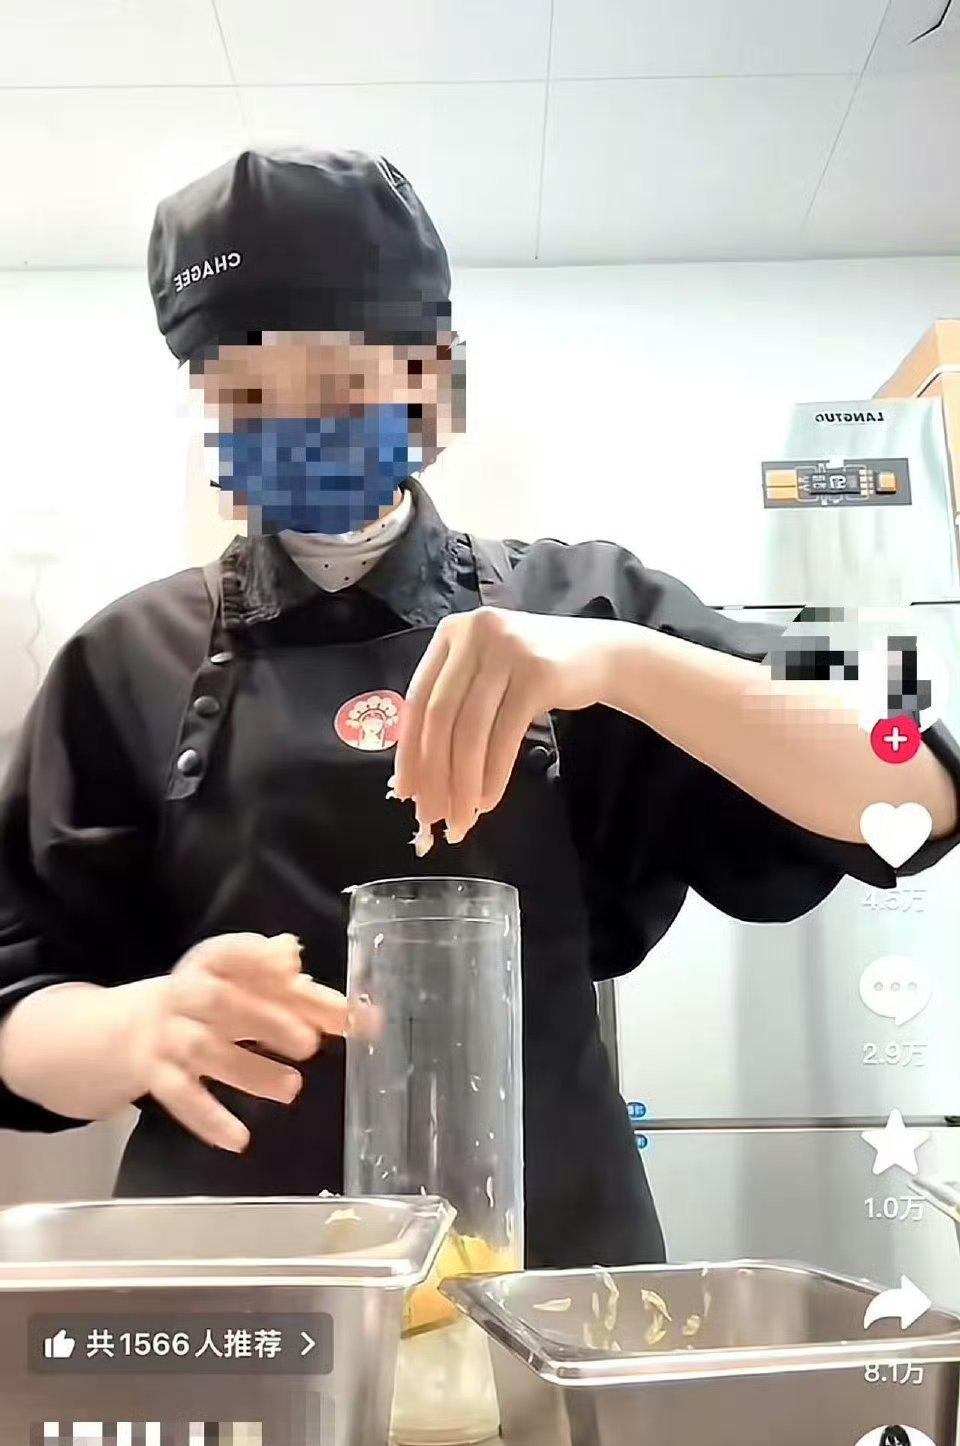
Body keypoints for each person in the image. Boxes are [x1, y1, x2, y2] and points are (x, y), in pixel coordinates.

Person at [0, 147, 958, 1271]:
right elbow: (16, 1000)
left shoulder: (582, 601)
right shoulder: (126, 657)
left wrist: (620, 663)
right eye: (249, 393)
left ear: (433, 383)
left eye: (343, 379)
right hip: (238, 1290)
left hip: (549, 1283)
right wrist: (135, 1028)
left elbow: (914, 779)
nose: (302, 422)